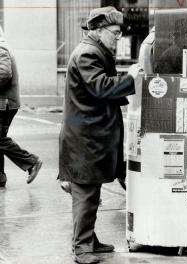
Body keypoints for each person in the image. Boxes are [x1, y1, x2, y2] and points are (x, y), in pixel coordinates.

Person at [58, 6, 141, 264]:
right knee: (85, 194)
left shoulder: (94, 50)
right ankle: (82, 249)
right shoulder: (88, 54)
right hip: (85, 139)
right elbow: (101, 87)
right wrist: (130, 78)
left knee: (90, 193)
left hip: (89, 136)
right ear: (99, 30)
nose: (118, 37)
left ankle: (89, 240)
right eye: (115, 33)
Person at [0, 26, 42, 188]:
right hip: (4, 103)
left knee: (0, 139)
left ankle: (32, 162)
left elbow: (3, 74)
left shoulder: (1, 47)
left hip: (4, 104)